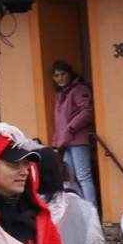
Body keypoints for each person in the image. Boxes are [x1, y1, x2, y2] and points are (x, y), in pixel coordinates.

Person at [50, 60, 96, 203]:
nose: (60, 78)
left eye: (62, 74)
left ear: (70, 73)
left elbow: (87, 111)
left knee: (83, 177)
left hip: (78, 139)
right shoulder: (60, 94)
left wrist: (70, 128)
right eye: (56, 75)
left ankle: (92, 210)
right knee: (68, 178)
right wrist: (56, 143)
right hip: (67, 141)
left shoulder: (80, 89)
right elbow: (59, 122)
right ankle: (84, 208)